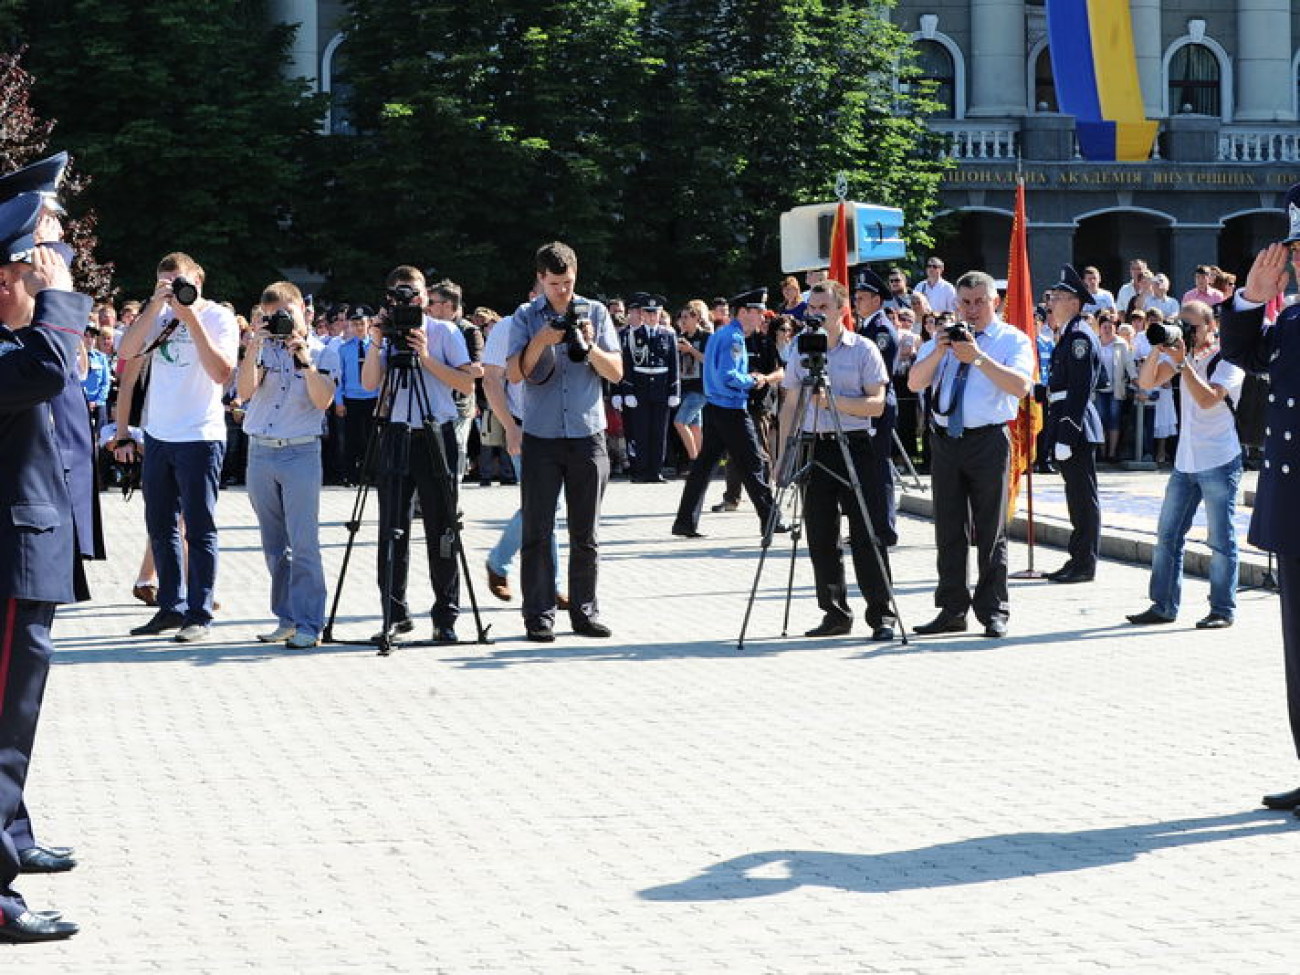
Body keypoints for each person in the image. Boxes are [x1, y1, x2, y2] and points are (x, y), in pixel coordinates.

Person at [0, 193, 88, 942]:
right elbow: (52, 369)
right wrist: (57, 296)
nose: (48, 273)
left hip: (22, 556)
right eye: (32, 266)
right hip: (6, 562)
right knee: (1, 731)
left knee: (10, 727)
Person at [1216, 205, 1300, 813]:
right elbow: (1249, 355)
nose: (1296, 263)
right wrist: (1249, 297)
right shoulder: (1293, 318)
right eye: (1296, 253)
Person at [115, 252, 239, 643]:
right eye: (168, 282)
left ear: (199, 279)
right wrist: (155, 305)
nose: (177, 289)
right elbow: (126, 353)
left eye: (182, 281)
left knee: (199, 528)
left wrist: (191, 318)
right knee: (160, 525)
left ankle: (199, 613)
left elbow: (222, 372)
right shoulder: (158, 315)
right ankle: (170, 606)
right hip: (159, 433)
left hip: (200, 435)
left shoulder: (217, 316)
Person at [906, 271, 1034, 638]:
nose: (972, 309)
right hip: (946, 442)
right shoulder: (945, 336)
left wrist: (977, 358)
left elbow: (1021, 387)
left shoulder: (1011, 339)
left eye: (980, 301)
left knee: (991, 530)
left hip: (988, 441)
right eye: (965, 302)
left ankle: (993, 610)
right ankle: (951, 608)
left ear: (995, 301)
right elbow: (915, 382)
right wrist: (941, 349)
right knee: (948, 529)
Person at [507, 242, 623, 642]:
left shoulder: (595, 311)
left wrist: (588, 345)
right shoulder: (525, 316)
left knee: (585, 532)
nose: (561, 291)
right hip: (541, 437)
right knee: (537, 532)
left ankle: (585, 612)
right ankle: (538, 616)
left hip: (587, 436)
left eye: (568, 283)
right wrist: (540, 340)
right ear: (540, 279)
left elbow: (617, 372)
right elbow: (515, 374)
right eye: (554, 283)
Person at [363, 266, 478, 645]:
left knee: (442, 527)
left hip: (436, 432)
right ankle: (394, 614)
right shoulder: (384, 333)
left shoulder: (444, 331)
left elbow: (465, 383)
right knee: (391, 528)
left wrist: (426, 357)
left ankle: (446, 616)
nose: (407, 301)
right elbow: (368, 384)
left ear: (426, 296)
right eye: (399, 294)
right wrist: (378, 342)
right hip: (396, 433)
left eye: (413, 294)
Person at [777, 280, 894, 641]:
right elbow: (791, 403)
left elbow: (876, 404)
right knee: (820, 535)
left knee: (866, 534)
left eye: (823, 308)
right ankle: (834, 612)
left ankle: (882, 614)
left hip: (857, 447)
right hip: (816, 445)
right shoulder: (800, 348)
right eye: (812, 309)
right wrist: (782, 456)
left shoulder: (863, 349)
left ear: (842, 309)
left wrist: (834, 402)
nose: (815, 315)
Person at [1127, 300, 1242, 630]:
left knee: (1221, 539)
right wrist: (1157, 346)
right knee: (1168, 535)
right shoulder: (1182, 357)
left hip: (1219, 459)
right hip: (1185, 461)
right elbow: (1146, 383)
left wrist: (1182, 364)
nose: (1187, 332)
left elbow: (1208, 400)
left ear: (1210, 326)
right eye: (1183, 325)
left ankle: (1222, 608)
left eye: (1192, 326)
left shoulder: (1227, 358)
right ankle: (1163, 605)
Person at [236, 282, 337, 649]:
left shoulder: (325, 351)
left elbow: (323, 401)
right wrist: (253, 347)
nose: (280, 321)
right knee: (274, 545)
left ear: (303, 312)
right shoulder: (260, 348)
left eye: (285, 313)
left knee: (304, 543)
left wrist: (305, 359)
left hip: (301, 453)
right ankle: (287, 617)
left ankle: (311, 623)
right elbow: (244, 393)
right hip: (261, 451)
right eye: (271, 315)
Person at [671, 288, 781, 539]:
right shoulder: (734, 338)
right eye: (757, 312)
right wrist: (752, 380)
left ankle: (685, 521)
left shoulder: (722, 334)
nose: (761, 317)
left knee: (704, 466)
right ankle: (771, 518)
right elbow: (728, 377)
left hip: (716, 408)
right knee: (753, 463)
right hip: (731, 409)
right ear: (743, 312)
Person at [1043, 265, 1104, 584]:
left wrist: (1067, 433)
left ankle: (1085, 563)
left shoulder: (1079, 336)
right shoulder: (1069, 333)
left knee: (1083, 498)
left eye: (1059, 296)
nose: (1052, 301)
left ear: (1075, 302)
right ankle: (1077, 557)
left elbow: (1080, 389)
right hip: (1066, 420)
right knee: (1075, 497)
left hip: (1076, 426)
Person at [852, 266, 899, 546]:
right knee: (865, 468)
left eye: (862, 297)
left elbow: (876, 375)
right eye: (856, 296)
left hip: (877, 406)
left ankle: (884, 529)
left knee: (878, 467)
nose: (856, 301)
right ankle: (870, 525)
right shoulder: (867, 327)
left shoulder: (880, 331)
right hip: (865, 405)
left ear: (876, 300)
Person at [615, 292, 680, 483]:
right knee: (640, 431)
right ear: (642, 314)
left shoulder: (668, 335)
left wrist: (674, 390)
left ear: (660, 314)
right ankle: (640, 470)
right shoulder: (633, 335)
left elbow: (674, 365)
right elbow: (626, 365)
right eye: (648, 313)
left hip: (661, 387)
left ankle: (655, 471)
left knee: (659, 432)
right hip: (640, 388)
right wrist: (627, 390)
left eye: (656, 313)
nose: (652, 317)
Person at [332, 306, 380, 486]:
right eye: (355, 324)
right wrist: (339, 401)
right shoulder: (344, 349)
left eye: (362, 323)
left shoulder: (376, 346)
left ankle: (372, 475)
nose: (359, 327)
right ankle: (350, 475)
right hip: (351, 398)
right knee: (351, 439)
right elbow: (338, 377)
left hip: (372, 397)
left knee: (372, 439)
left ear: (368, 325)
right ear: (349, 326)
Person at [672, 299, 710, 463]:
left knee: (679, 422)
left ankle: (694, 460)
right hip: (685, 386)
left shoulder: (707, 337)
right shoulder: (681, 337)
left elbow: (708, 361)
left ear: (697, 318)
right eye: (682, 318)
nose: (683, 321)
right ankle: (702, 462)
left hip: (700, 388)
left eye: (687, 317)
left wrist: (690, 350)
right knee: (695, 426)